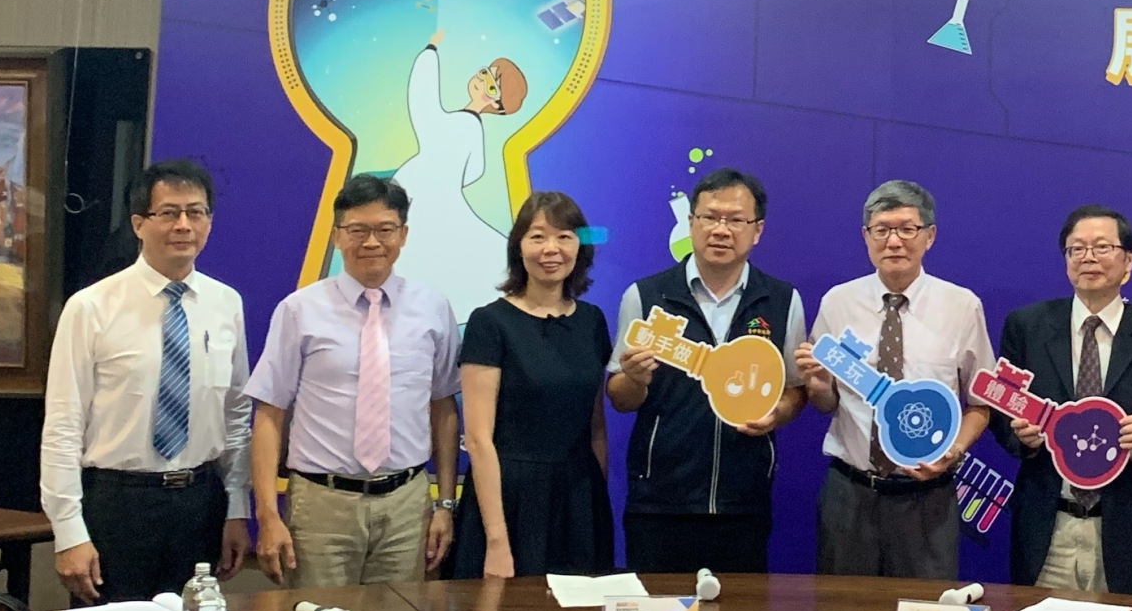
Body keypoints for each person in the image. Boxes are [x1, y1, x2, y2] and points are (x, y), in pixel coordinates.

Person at [39, 159, 251, 602]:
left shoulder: (225, 304)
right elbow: (62, 425)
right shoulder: (91, 307)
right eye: (169, 213)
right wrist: (68, 531)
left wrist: (236, 508)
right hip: (119, 505)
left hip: (200, 504)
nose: (183, 225)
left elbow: (236, 417)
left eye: (196, 212)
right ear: (139, 224)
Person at [247, 174, 461, 587]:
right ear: (337, 236)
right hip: (322, 505)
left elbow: (443, 408)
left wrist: (445, 505)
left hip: (406, 505)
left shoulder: (433, 308)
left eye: (385, 229)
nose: (371, 242)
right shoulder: (299, 310)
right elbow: (269, 414)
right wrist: (267, 515)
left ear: (403, 234)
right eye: (358, 230)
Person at [606, 168, 807, 574]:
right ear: (691, 222)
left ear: (757, 230)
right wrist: (635, 380)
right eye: (710, 217)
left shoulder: (781, 300)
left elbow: (795, 389)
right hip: (659, 504)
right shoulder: (646, 296)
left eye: (735, 220)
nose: (721, 230)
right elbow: (619, 397)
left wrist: (777, 414)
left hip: (743, 504)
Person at [993, 204, 1132, 596]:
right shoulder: (1027, 327)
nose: (1089, 258)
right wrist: (1021, 436)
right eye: (1077, 249)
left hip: (1124, 528)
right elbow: (1002, 414)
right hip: (1047, 526)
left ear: (1129, 260)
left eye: (1102, 247)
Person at [797, 179, 993, 579]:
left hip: (927, 498)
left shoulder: (961, 306)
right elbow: (826, 402)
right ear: (866, 237)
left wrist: (954, 450)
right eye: (882, 229)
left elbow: (981, 402)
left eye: (907, 229)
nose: (894, 241)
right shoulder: (838, 302)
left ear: (929, 236)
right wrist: (817, 386)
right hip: (850, 495)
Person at [454, 190, 613, 578]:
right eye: (537, 236)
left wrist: (595, 505)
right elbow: (478, 439)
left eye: (564, 237)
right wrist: (496, 540)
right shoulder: (490, 323)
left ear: (579, 247)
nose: (551, 249)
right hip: (509, 498)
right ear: (518, 247)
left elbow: (595, 426)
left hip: (578, 498)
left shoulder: (592, 321)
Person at [392, 36, 528, 320]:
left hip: (422, 201)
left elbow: (423, 105)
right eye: (484, 73)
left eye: (491, 84)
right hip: (426, 196)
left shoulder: (462, 124)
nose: (481, 80)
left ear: (496, 103)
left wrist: (429, 53)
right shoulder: (471, 127)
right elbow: (476, 169)